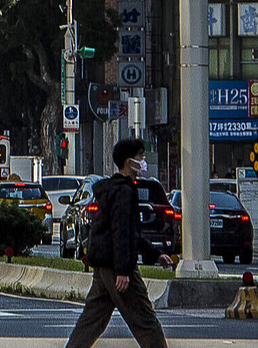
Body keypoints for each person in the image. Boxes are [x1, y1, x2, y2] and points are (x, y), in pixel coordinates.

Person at [62, 138, 174, 348]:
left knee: (92, 319)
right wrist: (123, 270)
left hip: (104, 266)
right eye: (140, 157)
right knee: (145, 320)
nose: (143, 161)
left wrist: (154, 253)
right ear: (128, 161)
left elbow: (129, 232)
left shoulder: (113, 189)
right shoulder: (123, 191)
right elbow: (121, 232)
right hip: (118, 267)